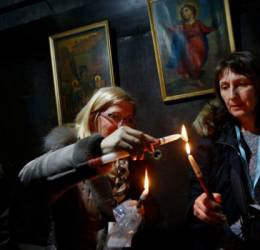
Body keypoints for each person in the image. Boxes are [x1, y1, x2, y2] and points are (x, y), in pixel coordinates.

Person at [18, 86, 159, 250]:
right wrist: (98, 148)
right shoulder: (68, 149)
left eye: (128, 119)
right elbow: (27, 178)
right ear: (93, 117)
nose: (123, 127)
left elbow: (108, 218)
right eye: (114, 116)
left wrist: (130, 216)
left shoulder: (126, 163)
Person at [187, 51, 260, 250]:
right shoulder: (213, 141)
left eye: (241, 84)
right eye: (225, 87)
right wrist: (198, 206)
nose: (232, 96)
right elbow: (196, 195)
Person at [166, 3, 216, 80]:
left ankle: (196, 75)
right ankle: (193, 77)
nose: (184, 13)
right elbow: (174, 29)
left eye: (186, 10)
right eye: (182, 12)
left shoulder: (198, 23)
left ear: (192, 11)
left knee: (199, 61)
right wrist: (167, 28)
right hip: (189, 46)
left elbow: (205, 29)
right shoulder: (182, 25)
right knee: (192, 61)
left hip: (200, 45)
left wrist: (213, 28)